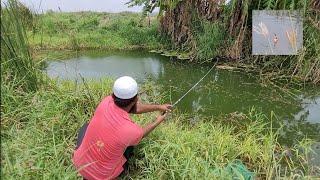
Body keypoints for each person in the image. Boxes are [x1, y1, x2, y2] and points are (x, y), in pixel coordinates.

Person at [72, 76, 172, 179]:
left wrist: (159, 107)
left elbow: (133, 108)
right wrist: (157, 121)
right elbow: (141, 133)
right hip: (101, 177)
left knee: (86, 126)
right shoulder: (131, 131)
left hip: (80, 165)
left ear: (113, 95)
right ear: (136, 99)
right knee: (129, 147)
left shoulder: (106, 102)